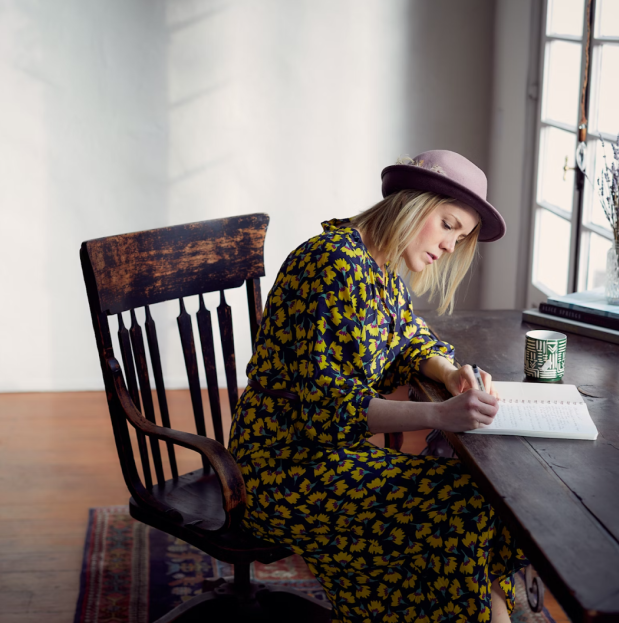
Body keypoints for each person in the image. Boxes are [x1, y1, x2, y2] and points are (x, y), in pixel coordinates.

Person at [227, 150, 529, 623]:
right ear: (413, 202)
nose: (452, 246)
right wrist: (439, 415)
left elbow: (407, 335)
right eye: (449, 224)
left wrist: (449, 372)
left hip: (328, 455)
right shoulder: (333, 265)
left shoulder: (378, 264)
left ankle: (482, 611)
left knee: (479, 500)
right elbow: (327, 410)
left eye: (462, 236)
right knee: (459, 508)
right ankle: (475, 611)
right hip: (284, 466)